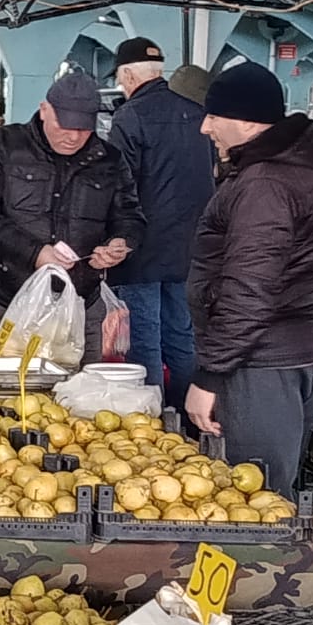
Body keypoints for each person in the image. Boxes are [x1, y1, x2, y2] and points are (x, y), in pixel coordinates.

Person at [185, 65, 313, 495]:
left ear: (247, 121)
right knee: (271, 489)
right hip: (290, 350)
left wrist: (208, 376)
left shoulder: (265, 184)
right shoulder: (301, 168)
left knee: (256, 498)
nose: (204, 127)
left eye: (214, 116)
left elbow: (249, 290)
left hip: (260, 361)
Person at [0, 72, 146, 352]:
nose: (73, 137)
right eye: (65, 125)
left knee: (78, 393)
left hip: (81, 306)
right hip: (8, 301)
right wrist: (35, 253)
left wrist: (121, 243)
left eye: (84, 129)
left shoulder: (109, 159)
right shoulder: (5, 144)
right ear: (44, 109)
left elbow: (130, 216)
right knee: (2, 389)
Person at [106, 37, 216, 412]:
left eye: (122, 78)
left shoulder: (129, 117)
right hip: (189, 248)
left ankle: (151, 422)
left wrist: (114, 236)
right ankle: (186, 418)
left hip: (142, 249)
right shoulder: (198, 114)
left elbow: (120, 185)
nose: (122, 85)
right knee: (182, 337)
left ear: (130, 74)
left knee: (144, 340)